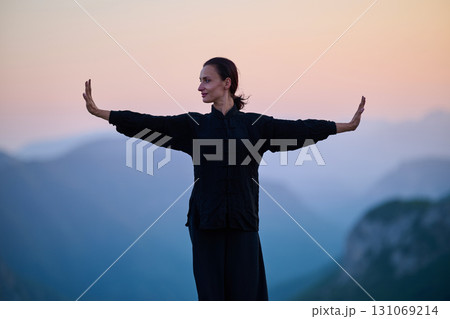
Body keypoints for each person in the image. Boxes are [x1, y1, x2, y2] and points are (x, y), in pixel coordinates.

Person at [83, 57, 365, 301]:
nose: (200, 87)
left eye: (207, 80)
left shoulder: (257, 127)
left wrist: (343, 127)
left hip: (243, 222)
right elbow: (150, 123)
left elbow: (300, 129)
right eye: (200, 80)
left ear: (227, 83)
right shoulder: (193, 126)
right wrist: (103, 113)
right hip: (205, 224)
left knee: (247, 298)